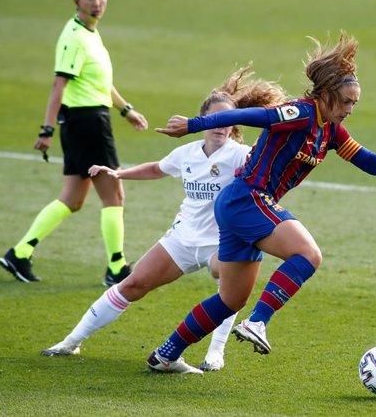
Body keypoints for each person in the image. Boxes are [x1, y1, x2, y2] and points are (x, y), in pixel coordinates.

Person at [146, 32, 376, 373]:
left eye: (355, 103)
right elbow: (252, 117)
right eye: (347, 102)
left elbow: (370, 163)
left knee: (230, 299)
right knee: (308, 254)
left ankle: (166, 353)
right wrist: (194, 124)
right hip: (246, 198)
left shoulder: (332, 132)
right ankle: (256, 323)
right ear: (325, 95)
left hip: (244, 207)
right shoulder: (301, 113)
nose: (350, 110)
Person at [39, 66, 288, 372]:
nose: (221, 127)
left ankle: (215, 353)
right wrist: (117, 173)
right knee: (133, 284)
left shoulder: (241, 155)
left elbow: (268, 172)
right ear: (205, 121)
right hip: (183, 238)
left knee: (230, 287)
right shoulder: (187, 153)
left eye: (228, 121)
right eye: (216, 120)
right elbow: (157, 168)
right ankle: (71, 341)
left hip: (222, 242)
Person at [0, 0, 149, 286]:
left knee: (72, 199)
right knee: (114, 195)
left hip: (89, 119)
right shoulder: (74, 37)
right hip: (87, 122)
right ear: (76, 1)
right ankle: (117, 267)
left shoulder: (90, 33)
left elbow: (99, 82)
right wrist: (46, 129)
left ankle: (19, 253)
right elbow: (59, 84)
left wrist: (125, 109)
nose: (97, 3)